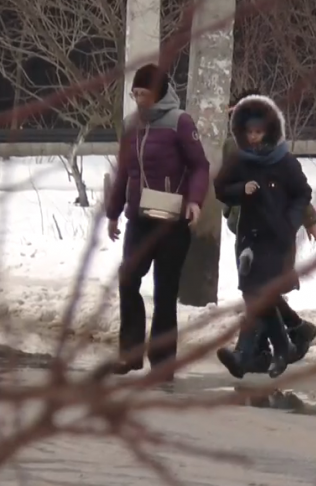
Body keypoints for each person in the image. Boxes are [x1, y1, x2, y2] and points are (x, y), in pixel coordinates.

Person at [105, 63, 209, 378]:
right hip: (139, 218)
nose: (139, 99)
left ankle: (163, 362)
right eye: (135, 93)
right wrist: (113, 212)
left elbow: (199, 166)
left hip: (171, 220)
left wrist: (194, 200)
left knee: (165, 290)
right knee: (128, 279)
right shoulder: (130, 125)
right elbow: (124, 171)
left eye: (144, 93)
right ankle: (130, 353)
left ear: (159, 92)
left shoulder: (180, 122)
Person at [216, 90, 316, 373]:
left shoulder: (279, 154)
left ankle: (251, 352)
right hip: (246, 229)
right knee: (256, 293)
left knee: (259, 293)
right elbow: (224, 185)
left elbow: (296, 190)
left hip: (276, 232)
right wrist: (236, 198)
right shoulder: (233, 148)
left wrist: (305, 220)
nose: (252, 134)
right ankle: (285, 337)